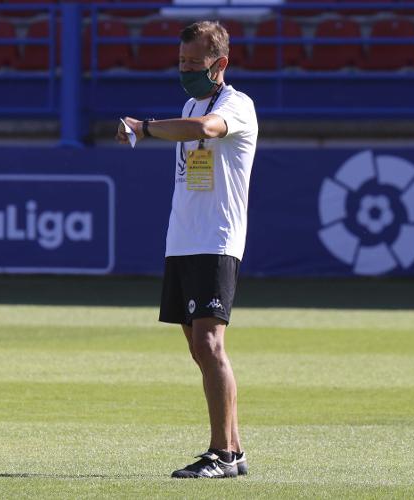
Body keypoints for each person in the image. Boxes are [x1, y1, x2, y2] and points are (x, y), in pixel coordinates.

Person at [116, 20, 258, 479]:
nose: (186, 70)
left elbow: (206, 129)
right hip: (183, 239)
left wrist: (146, 127)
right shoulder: (191, 100)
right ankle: (233, 449)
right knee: (199, 350)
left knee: (209, 343)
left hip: (216, 238)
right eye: (181, 62)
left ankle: (221, 453)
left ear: (220, 64)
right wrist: (145, 132)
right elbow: (190, 129)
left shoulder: (236, 104)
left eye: (195, 63)